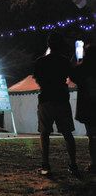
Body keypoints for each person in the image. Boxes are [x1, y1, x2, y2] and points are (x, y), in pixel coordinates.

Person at [33, 32, 80, 178]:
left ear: (49, 44)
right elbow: (74, 77)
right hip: (61, 99)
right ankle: (73, 165)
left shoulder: (40, 61)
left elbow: (37, 79)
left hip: (46, 99)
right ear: (60, 45)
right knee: (67, 134)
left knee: (44, 133)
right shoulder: (65, 61)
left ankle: (45, 165)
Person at [69, 44, 96, 173]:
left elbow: (71, 72)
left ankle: (94, 162)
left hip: (89, 107)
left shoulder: (84, 68)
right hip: (89, 107)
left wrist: (76, 57)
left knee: (92, 137)